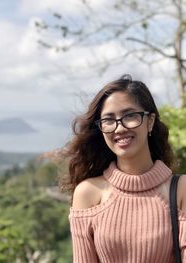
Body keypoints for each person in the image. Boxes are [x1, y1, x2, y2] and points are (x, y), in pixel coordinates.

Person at [61, 74, 186, 262]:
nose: (119, 128)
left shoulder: (181, 191)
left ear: (150, 121)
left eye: (130, 116)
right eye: (109, 120)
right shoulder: (88, 194)